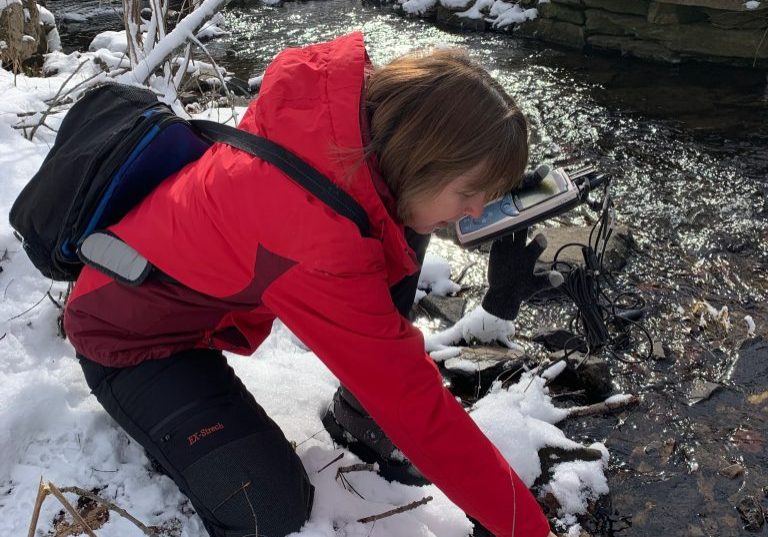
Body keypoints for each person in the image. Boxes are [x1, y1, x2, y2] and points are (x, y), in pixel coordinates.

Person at [64, 32, 557, 537]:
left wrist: (489, 181)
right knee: (271, 513)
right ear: (423, 155)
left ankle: (360, 415)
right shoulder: (312, 234)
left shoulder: (348, 118)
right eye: (469, 193)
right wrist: (527, 529)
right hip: (129, 340)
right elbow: (417, 408)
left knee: (404, 223)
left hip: (163, 280)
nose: (474, 212)